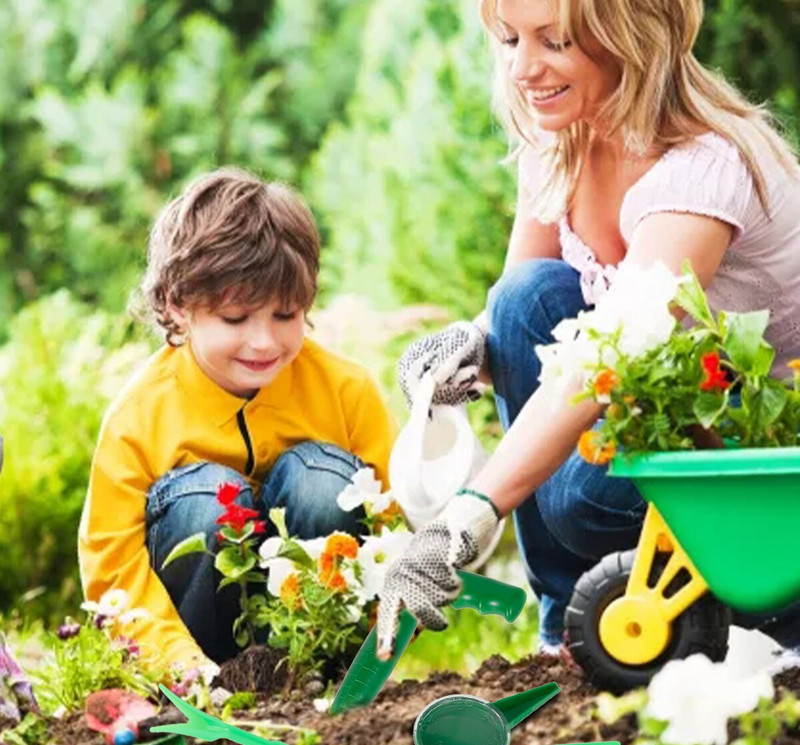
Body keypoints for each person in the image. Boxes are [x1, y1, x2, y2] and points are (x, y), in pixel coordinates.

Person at [377, 0, 800, 660]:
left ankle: (761, 611)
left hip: (763, 455)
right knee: (524, 299)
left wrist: (464, 519)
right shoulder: (562, 141)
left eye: (556, 42)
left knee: (579, 499)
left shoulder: (702, 169)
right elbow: (525, 310)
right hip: (670, 399)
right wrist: (467, 346)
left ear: (629, 40)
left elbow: (606, 358)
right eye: (511, 39)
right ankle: (566, 627)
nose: (523, 68)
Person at [79, 168, 396, 674]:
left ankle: (314, 671)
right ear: (179, 306)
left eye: (286, 315)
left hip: (317, 630)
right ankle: (219, 678)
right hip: (197, 655)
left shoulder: (345, 391)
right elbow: (113, 568)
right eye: (236, 319)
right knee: (207, 498)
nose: (265, 342)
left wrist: (386, 629)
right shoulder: (137, 418)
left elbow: (395, 525)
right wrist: (178, 664)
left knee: (324, 483)